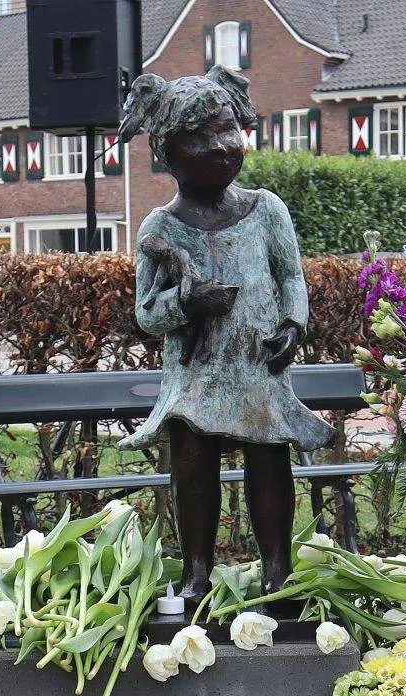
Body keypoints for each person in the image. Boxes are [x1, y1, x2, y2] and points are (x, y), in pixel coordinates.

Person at [117, 67, 331, 600]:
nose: (217, 146)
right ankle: (195, 572)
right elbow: (148, 313)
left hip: (258, 367)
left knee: (269, 463)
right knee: (192, 464)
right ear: (166, 152)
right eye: (197, 137)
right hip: (195, 376)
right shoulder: (160, 230)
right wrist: (187, 301)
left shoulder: (267, 211)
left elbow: (290, 278)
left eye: (225, 129)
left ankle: (277, 569)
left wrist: (293, 323)